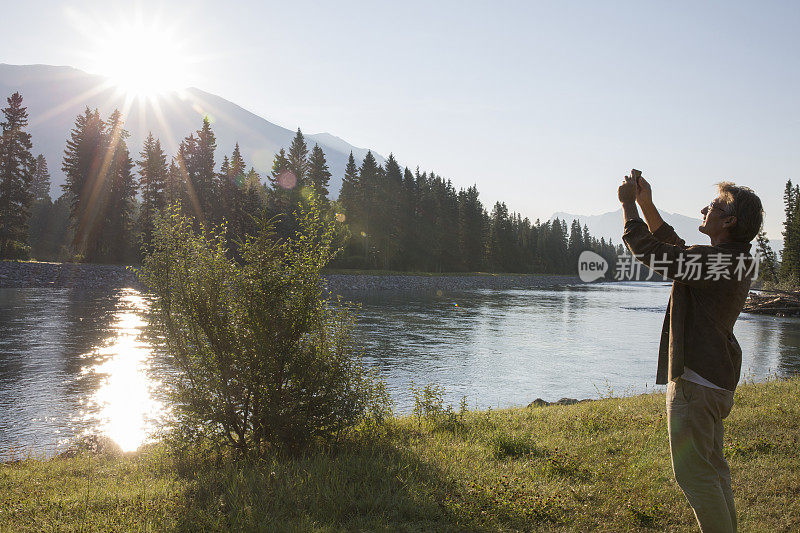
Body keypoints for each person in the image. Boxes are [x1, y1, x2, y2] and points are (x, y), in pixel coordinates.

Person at [617, 172, 763, 533]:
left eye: (713, 206)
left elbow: (650, 251)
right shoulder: (731, 260)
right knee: (712, 471)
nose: (704, 208)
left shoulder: (714, 262)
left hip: (695, 384)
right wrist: (647, 203)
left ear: (729, 221)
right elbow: (675, 247)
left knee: (695, 476)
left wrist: (627, 205)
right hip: (715, 381)